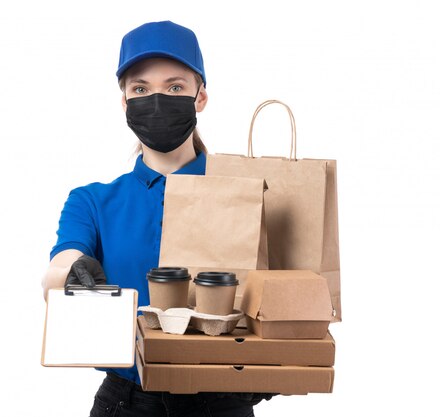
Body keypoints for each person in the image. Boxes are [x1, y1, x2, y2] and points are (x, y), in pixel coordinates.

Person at [42, 21, 271, 417]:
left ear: (201, 97)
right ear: (125, 102)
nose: (157, 99)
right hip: (128, 401)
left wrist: (278, 364)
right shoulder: (93, 200)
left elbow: (284, 289)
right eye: (141, 89)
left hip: (224, 397)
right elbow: (57, 270)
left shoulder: (247, 195)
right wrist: (73, 270)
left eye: (175, 87)